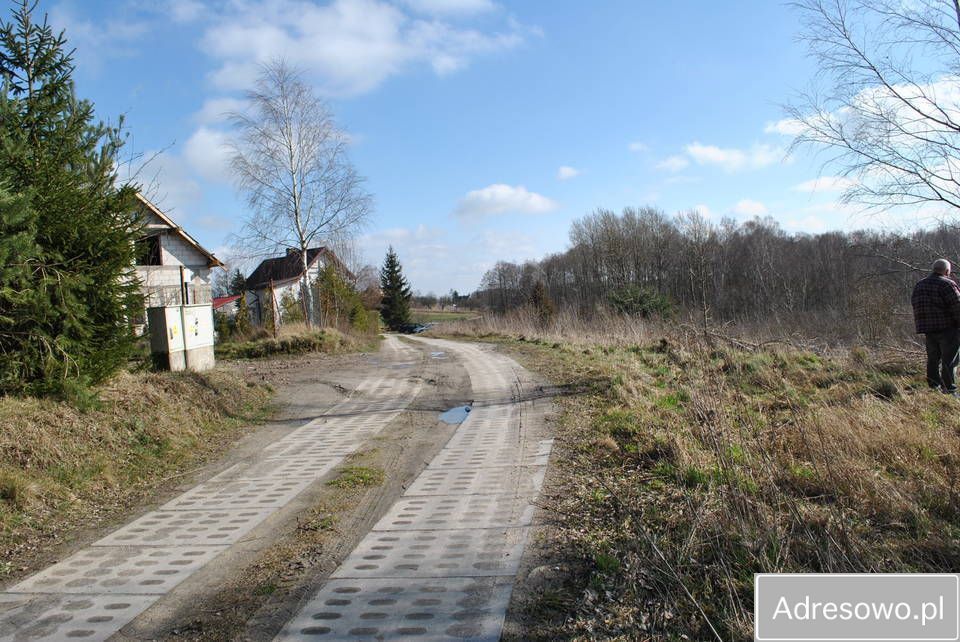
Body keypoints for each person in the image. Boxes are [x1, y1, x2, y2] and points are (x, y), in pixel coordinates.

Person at [912, 258, 960, 395]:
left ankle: (934, 387)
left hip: (928, 329)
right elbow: (957, 306)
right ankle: (949, 389)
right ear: (947, 271)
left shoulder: (919, 285)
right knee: (950, 360)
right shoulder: (947, 284)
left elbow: (916, 304)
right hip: (948, 329)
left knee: (933, 359)